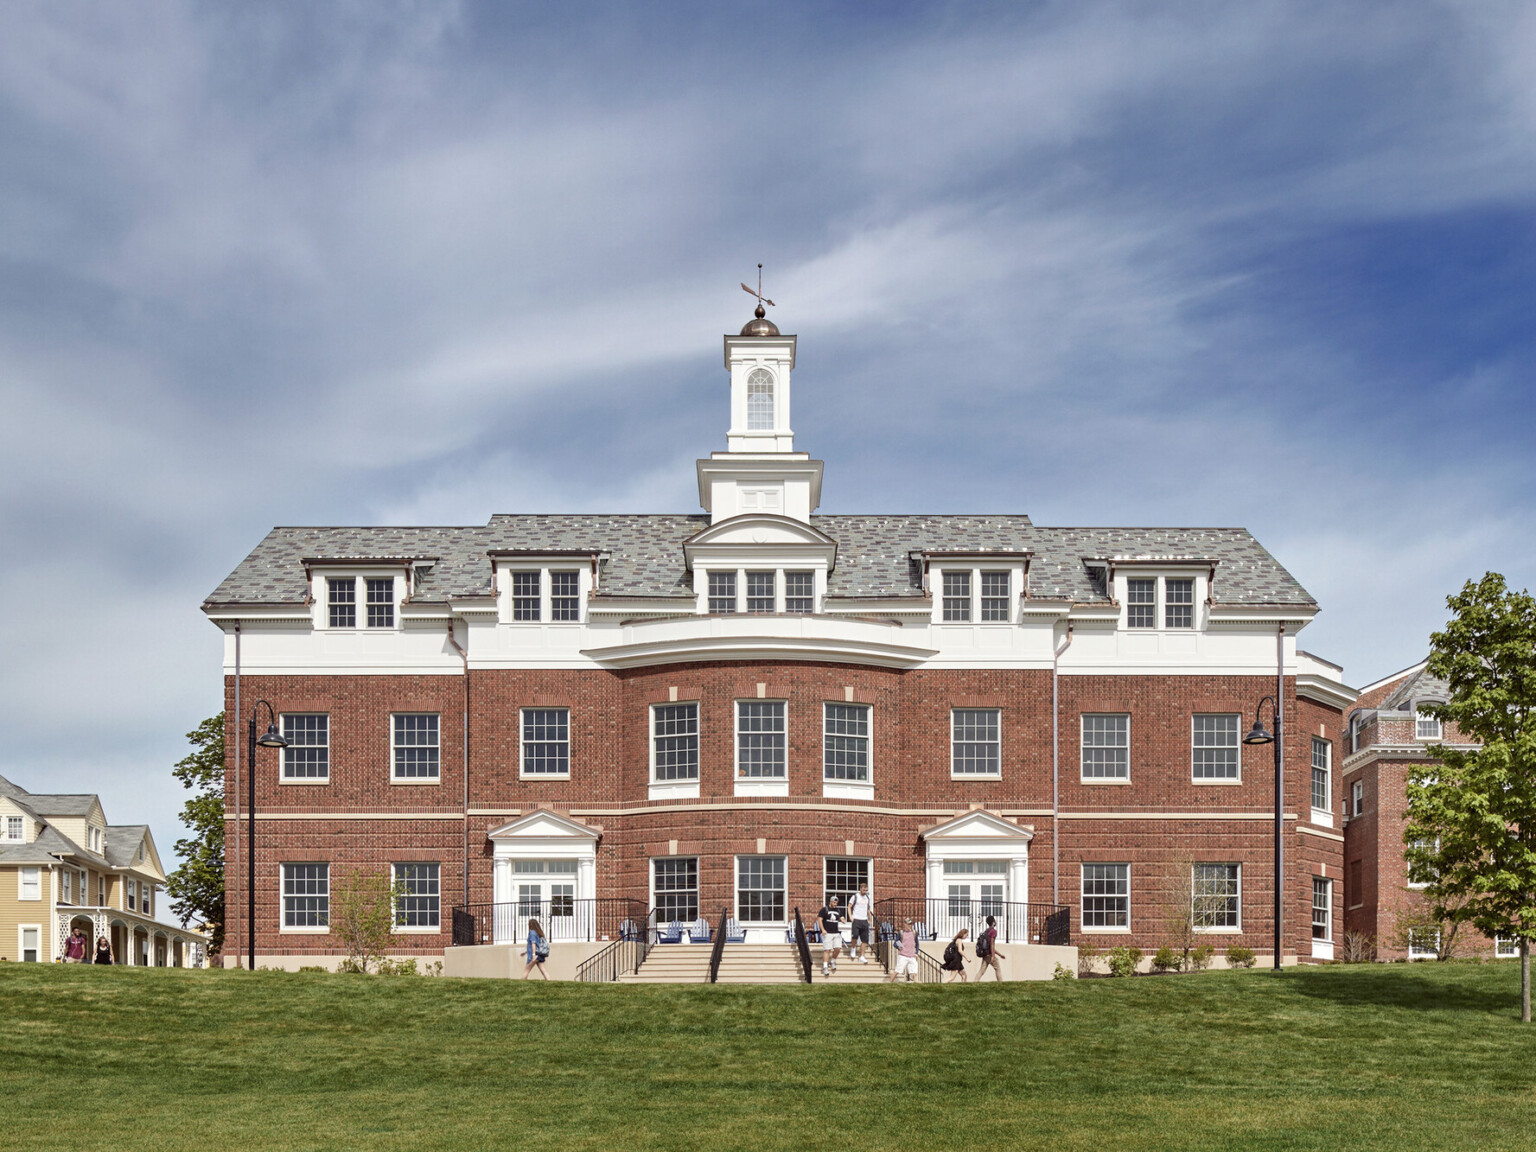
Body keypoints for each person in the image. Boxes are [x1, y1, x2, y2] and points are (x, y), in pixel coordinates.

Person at [816, 895, 844, 976]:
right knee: (827, 950)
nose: (835, 904)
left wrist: (843, 920)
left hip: (836, 932)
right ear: (830, 902)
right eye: (834, 902)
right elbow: (819, 919)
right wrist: (823, 929)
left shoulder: (838, 910)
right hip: (827, 933)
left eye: (836, 902)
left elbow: (842, 918)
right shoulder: (824, 909)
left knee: (838, 948)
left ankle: (833, 960)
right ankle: (825, 967)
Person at [974, 914, 1005, 981]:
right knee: (997, 968)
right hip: (989, 954)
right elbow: (992, 945)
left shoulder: (986, 931)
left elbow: (990, 946)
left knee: (982, 970)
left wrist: (1000, 955)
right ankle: (1001, 984)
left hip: (985, 954)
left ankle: (974, 982)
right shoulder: (993, 931)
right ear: (993, 922)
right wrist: (993, 956)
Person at [888, 917, 919, 983]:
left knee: (915, 973)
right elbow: (895, 943)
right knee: (897, 971)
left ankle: (917, 986)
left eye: (910, 924)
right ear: (905, 924)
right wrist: (898, 947)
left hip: (912, 956)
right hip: (903, 956)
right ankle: (890, 983)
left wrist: (916, 952)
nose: (909, 925)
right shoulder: (901, 933)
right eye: (908, 924)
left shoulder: (914, 933)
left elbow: (917, 944)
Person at [847, 882, 873, 963]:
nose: (864, 891)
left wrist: (869, 919)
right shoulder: (855, 896)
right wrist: (850, 917)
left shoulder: (867, 898)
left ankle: (862, 956)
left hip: (864, 920)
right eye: (863, 890)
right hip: (856, 919)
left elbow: (868, 910)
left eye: (866, 890)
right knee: (854, 936)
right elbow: (849, 907)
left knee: (865, 939)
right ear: (860, 889)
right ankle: (853, 949)